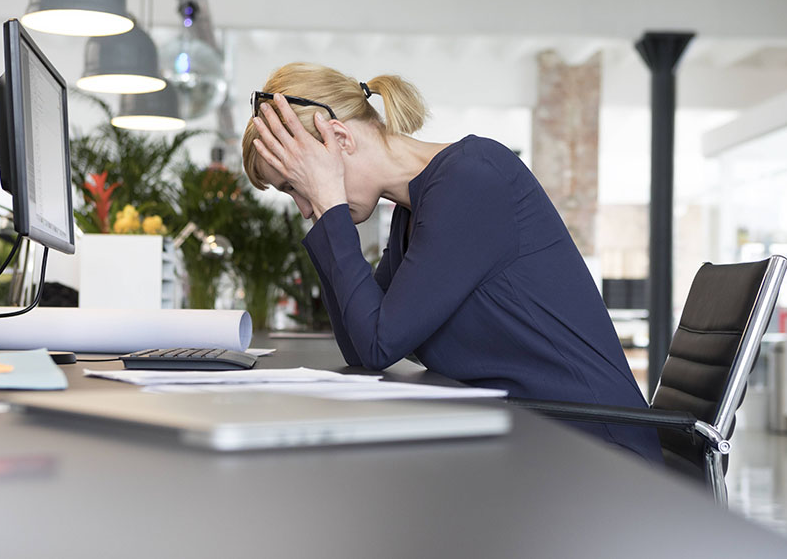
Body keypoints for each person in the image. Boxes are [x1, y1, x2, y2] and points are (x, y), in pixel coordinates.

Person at [241, 62, 662, 463]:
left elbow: (376, 344)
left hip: (594, 451)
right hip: (525, 437)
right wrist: (327, 208)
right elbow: (359, 344)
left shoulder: (471, 180)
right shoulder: (412, 212)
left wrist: (330, 201)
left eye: (298, 184)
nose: (305, 207)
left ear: (341, 139)